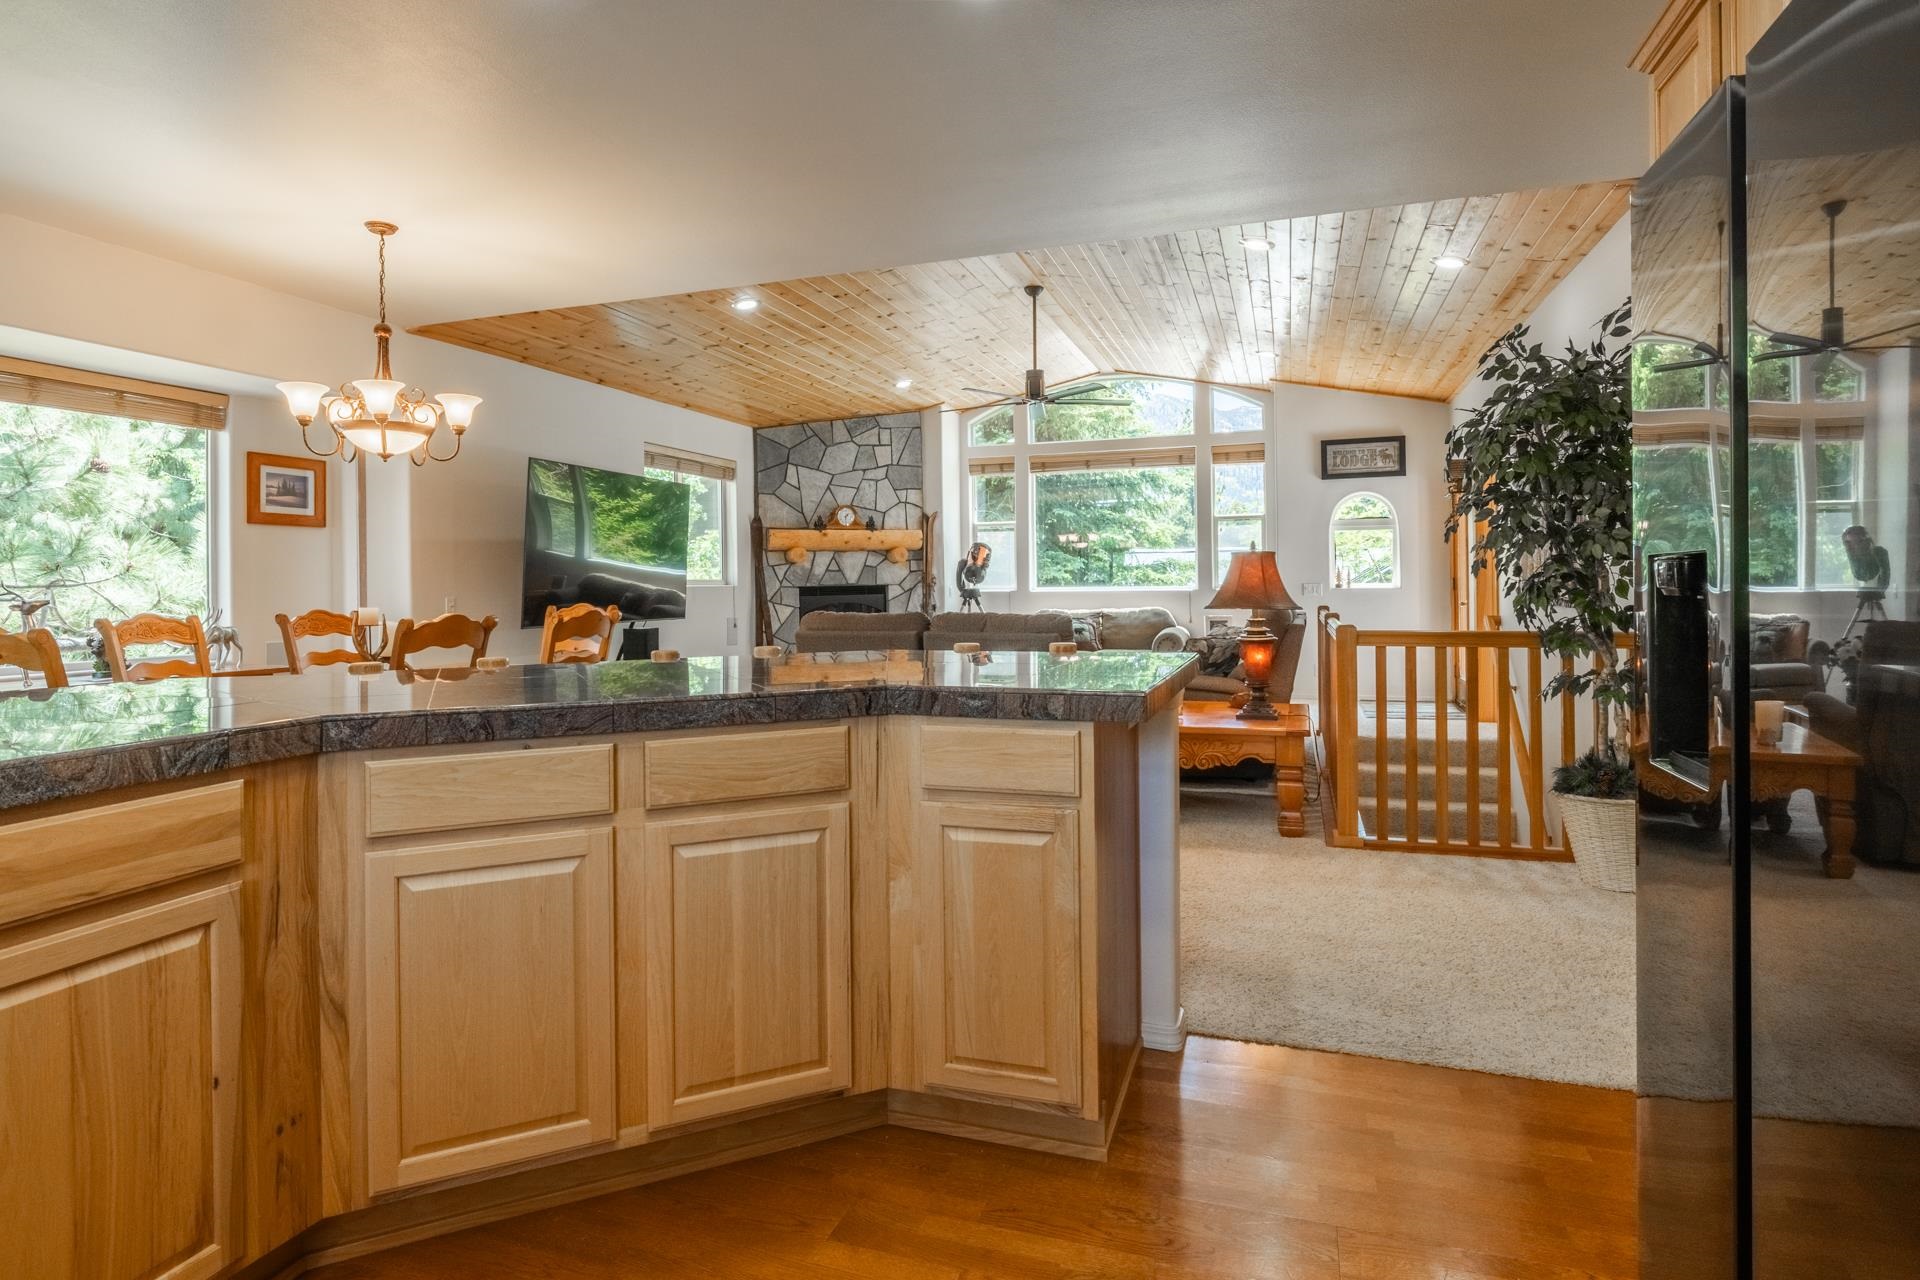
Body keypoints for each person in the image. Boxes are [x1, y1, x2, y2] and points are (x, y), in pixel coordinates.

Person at [956, 542, 992, 612]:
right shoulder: (965, 564)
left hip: (976, 575)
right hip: (978, 576)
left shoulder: (964, 564)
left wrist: (961, 589)